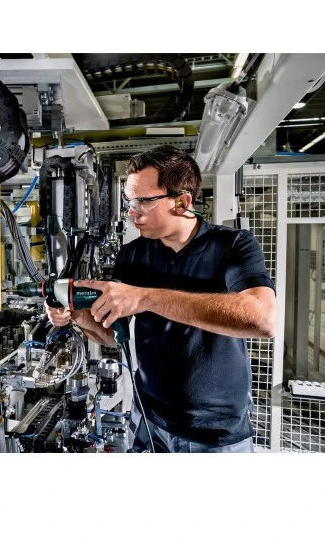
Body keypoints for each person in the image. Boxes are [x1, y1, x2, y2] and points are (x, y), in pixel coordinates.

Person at [45, 145, 277, 453]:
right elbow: (112, 335)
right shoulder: (133, 255)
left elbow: (262, 319)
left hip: (213, 433)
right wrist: (76, 315)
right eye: (129, 201)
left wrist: (146, 298)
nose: (132, 211)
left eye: (144, 201)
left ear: (182, 202)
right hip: (148, 417)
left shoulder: (232, 246)